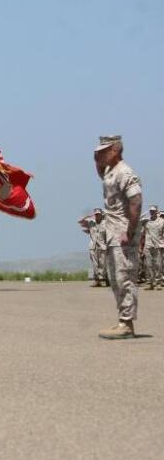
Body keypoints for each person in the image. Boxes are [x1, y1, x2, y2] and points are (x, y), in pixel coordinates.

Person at [94, 135, 143, 339]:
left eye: (104, 151)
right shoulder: (110, 172)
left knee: (125, 278)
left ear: (115, 150)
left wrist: (130, 232)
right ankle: (123, 320)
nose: (100, 154)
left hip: (123, 232)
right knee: (115, 278)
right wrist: (97, 161)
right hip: (112, 233)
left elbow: (136, 201)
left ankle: (127, 324)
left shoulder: (125, 172)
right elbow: (102, 176)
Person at [84, 209, 108, 287]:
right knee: (95, 264)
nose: (97, 216)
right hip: (93, 246)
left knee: (103, 264)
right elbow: (80, 221)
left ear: (101, 215)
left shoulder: (105, 223)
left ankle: (102, 279)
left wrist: (105, 213)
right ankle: (97, 280)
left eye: (98, 214)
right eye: (96, 214)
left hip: (103, 246)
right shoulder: (91, 222)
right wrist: (89, 215)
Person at [143, 206, 163, 290]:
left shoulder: (162, 221)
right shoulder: (146, 221)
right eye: (150, 211)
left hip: (158, 245)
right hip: (148, 245)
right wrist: (145, 214)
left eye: (153, 211)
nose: (152, 212)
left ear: (157, 212)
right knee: (148, 265)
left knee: (158, 264)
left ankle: (158, 282)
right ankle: (150, 282)